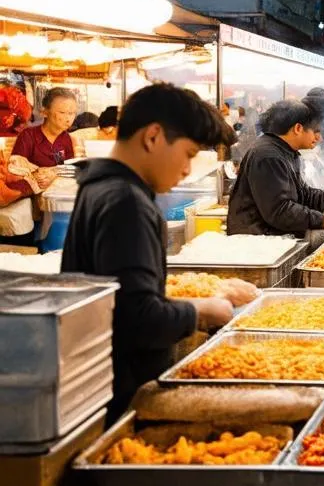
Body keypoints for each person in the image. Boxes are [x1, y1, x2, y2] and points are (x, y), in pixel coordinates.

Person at [61, 84, 237, 419]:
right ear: (153, 136)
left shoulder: (97, 188)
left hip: (97, 388)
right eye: (188, 154)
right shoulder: (126, 201)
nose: (187, 169)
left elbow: (117, 295)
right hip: (126, 395)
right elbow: (137, 317)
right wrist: (203, 310)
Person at [227, 99, 324, 237]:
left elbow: (304, 194)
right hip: (257, 242)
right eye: (316, 131)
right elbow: (280, 211)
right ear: (298, 128)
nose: (319, 138)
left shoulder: (287, 151)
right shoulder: (268, 155)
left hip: (272, 236)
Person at [13, 87, 77, 167]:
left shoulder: (65, 138)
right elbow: (15, 170)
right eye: (62, 112)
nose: (68, 119)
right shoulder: (28, 136)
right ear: (44, 112)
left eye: (71, 113)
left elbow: (66, 169)